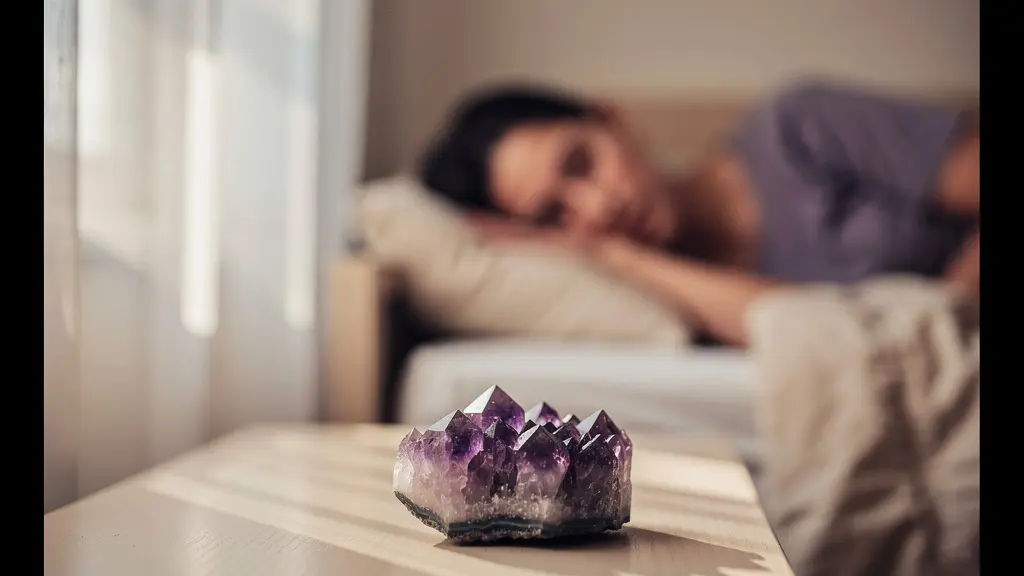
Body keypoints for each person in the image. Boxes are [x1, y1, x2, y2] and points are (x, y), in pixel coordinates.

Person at [418, 79, 980, 347]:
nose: (597, 207)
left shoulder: (797, 130)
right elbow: (811, 330)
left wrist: (945, 313)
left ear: (612, 119)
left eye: (582, 163)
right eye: (553, 217)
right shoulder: (663, 306)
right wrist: (611, 256)